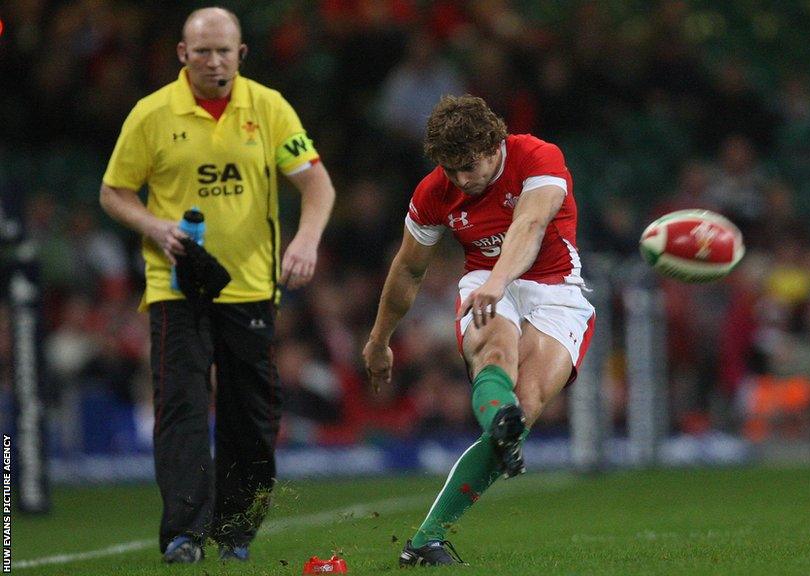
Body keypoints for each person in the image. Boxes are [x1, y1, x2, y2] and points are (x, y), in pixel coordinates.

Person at [98, 7, 335, 563]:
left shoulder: (268, 108)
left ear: (241, 54)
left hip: (251, 285)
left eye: (223, 50)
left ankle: (235, 532)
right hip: (176, 285)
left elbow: (317, 185)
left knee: (251, 415)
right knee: (180, 404)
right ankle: (183, 534)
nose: (213, 60)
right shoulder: (151, 115)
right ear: (182, 54)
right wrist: (153, 225)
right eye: (201, 50)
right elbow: (114, 192)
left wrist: (307, 240)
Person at [362, 95, 595, 566]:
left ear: (494, 145)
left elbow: (529, 224)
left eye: (469, 166)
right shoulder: (434, 192)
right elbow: (408, 271)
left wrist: (499, 279)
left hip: (554, 286)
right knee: (495, 352)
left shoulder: (537, 156)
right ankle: (431, 538)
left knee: (526, 407)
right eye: (450, 170)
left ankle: (500, 433)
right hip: (484, 284)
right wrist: (378, 339)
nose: (461, 180)